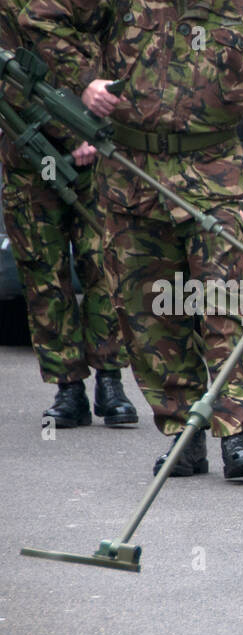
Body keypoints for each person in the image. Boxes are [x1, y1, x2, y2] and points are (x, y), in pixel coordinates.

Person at [21, 0, 243, 479]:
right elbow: (40, 15)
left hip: (213, 180)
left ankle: (236, 433)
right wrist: (83, 81)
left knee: (224, 305)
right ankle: (182, 431)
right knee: (149, 312)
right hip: (132, 181)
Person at [0, 0, 135, 430]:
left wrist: (90, 126)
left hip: (95, 143)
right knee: (43, 270)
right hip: (26, 146)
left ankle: (110, 381)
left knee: (104, 263)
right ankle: (67, 386)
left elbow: (119, 47)